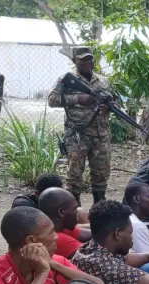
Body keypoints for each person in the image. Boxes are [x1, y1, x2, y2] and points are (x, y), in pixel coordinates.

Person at [47, 46, 116, 206]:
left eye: (90, 59)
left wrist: (110, 107)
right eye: (83, 60)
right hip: (77, 136)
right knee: (74, 174)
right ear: (74, 61)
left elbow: (115, 100)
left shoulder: (104, 81)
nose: (87, 63)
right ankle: (74, 208)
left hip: (101, 135)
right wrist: (78, 99)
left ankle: (99, 205)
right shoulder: (66, 80)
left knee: (101, 172)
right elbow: (52, 99)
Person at [14, 173, 90, 227]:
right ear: (37, 194)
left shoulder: (61, 199)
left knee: (81, 212)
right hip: (38, 237)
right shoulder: (23, 205)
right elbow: (38, 229)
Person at [38, 188, 86, 259]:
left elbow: (91, 233)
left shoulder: (58, 228)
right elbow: (94, 254)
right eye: (74, 209)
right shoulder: (57, 239)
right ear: (61, 212)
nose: (77, 213)